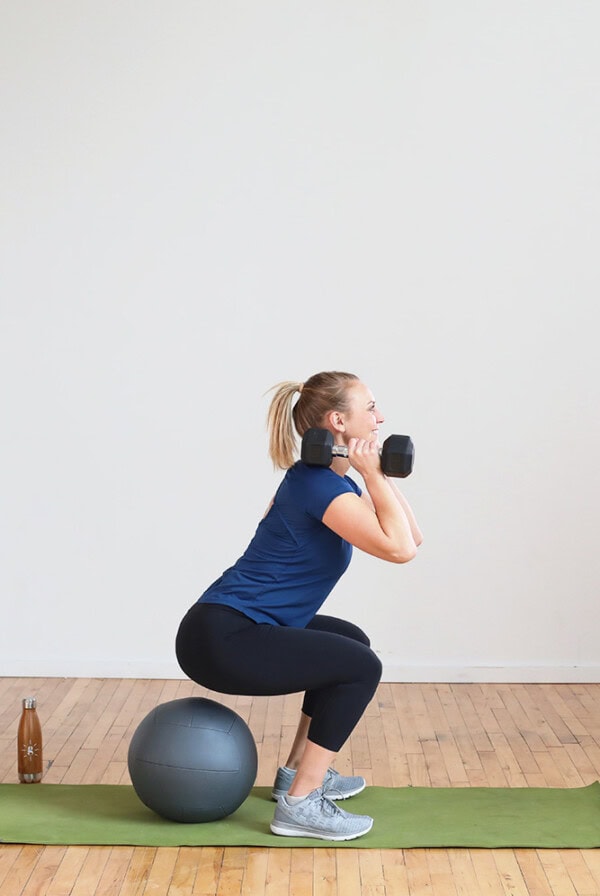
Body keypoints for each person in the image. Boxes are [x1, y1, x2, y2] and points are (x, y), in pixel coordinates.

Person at [176, 371, 422, 841]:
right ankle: (300, 803)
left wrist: (379, 476)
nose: (381, 417)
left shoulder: (328, 482)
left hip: (234, 628)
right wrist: (371, 474)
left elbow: (412, 537)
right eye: (370, 408)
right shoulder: (319, 489)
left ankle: (296, 772)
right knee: (360, 665)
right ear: (338, 421)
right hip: (223, 637)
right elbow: (400, 550)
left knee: (349, 641)